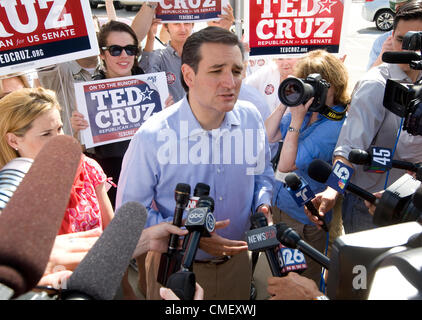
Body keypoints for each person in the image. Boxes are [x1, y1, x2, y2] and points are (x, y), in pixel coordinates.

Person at [116, 26, 274, 300]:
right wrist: (192, 237)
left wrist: (263, 204)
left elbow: (262, 174)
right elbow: (130, 217)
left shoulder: (251, 117)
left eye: (236, 71)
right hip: (175, 271)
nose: (230, 82)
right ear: (189, 75)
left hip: (237, 265)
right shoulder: (152, 137)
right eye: (216, 71)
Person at [308, 1, 422, 234]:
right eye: (402, 39)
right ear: (391, 36)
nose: (409, 48)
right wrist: (333, 190)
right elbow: (349, 148)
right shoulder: (375, 85)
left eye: (417, 40)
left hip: (414, 206)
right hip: (369, 207)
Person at [264, 49, 350, 285]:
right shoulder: (303, 109)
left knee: (305, 280)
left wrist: (296, 120)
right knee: (284, 273)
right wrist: (286, 100)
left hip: (306, 218)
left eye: (319, 83)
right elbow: (268, 136)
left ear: (336, 85)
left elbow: (287, 164)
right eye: (306, 81)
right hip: (281, 205)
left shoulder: (336, 125)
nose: (312, 88)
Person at [0, 87, 114, 234]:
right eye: (46, 134)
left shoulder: (86, 167)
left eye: (59, 128)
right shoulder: (8, 191)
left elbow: (114, 238)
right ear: (13, 140)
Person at [70, 20, 149, 208]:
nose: (124, 55)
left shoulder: (152, 86)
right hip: (111, 182)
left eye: (130, 49)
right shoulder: (88, 94)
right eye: (115, 50)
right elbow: (80, 151)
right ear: (102, 54)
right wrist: (77, 130)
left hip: (149, 175)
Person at [366, 0, 411, 70]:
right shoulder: (383, 41)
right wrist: (382, 58)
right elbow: (369, 76)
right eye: (400, 8)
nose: (407, 14)